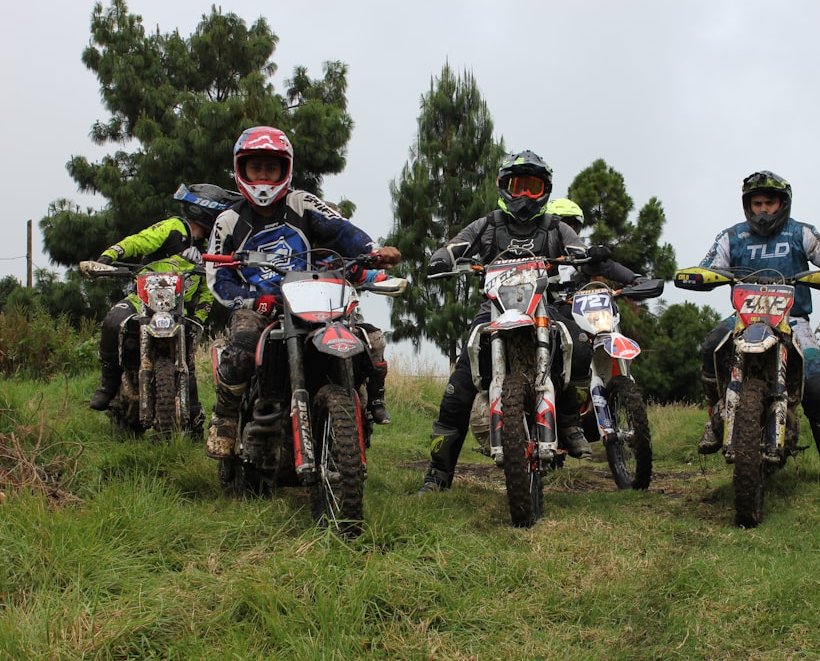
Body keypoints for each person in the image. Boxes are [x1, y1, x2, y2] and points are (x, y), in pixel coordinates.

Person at [417, 152, 633, 494]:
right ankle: (437, 473)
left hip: (544, 307)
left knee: (577, 346)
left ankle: (569, 423)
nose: (524, 196)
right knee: (458, 390)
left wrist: (591, 258)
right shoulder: (486, 225)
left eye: (533, 188)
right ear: (504, 187)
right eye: (518, 186)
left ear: (544, 191)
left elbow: (579, 250)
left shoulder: (555, 227)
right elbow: (455, 246)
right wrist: (442, 257)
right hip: (493, 309)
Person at [204, 125, 402, 460]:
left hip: (310, 300)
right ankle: (224, 416)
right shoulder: (228, 220)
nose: (264, 176)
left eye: (271, 167)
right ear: (242, 169)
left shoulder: (302, 203)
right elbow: (218, 278)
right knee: (240, 352)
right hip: (258, 307)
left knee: (362, 341)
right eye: (256, 167)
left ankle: (361, 407)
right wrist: (253, 300)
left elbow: (341, 229)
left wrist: (374, 248)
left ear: (286, 168)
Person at [695, 170, 820, 481]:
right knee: (710, 347)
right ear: (748, 205)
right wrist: (701, 276)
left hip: (792, 318)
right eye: (757, 203)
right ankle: (716, 414)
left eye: (769, 202)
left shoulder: (800, 233)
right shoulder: (732, 236)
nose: (763, 210)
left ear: (783, 203)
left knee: (815, 378)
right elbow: (708, 266)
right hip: (744, 317)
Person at [88, 183, 237, 436]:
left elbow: (207, 291)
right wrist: (110, 256)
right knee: (113, 320)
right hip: (141, 301)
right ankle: (108, 384)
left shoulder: (211, 249)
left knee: (187, 357)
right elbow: (141, 240)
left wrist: (197, 319)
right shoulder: (173, 228)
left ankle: (193, 417)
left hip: (178, 310)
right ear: (208, 212)